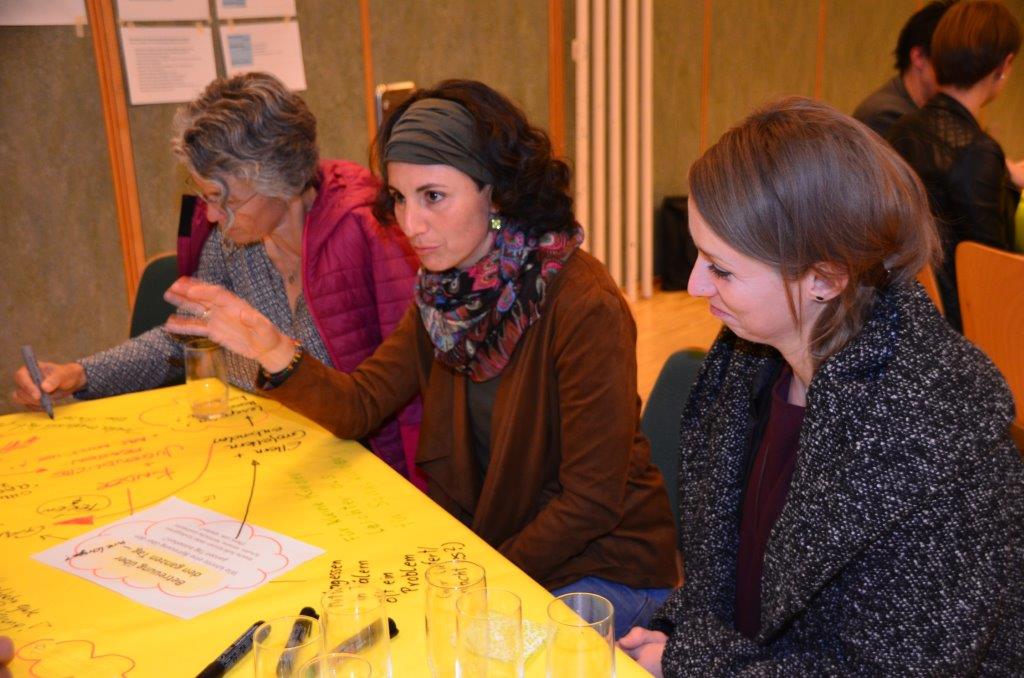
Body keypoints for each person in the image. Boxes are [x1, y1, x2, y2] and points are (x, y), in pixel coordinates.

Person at [163, 79, 679, 637]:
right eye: (400, 198)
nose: (410, 224)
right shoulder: (445, 293)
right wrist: (272, 348)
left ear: (495, 193)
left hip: (602, 569)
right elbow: (361, 405)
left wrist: (477, 575)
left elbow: (589, 503)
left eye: (433, 197)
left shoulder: (583, 303)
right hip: (502, 550)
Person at [619, 97, 1024, 675]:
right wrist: (675, 633)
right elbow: (728, 581)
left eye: (721, 268)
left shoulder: (941, 442)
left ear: (826, 278)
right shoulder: (749, 361)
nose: (693, 286)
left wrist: (695, 664)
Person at [11, 72, 423, 486]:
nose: (211, 216)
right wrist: (82, 374)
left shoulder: (368, 234)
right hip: (269, 457)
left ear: (279, 182)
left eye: (224, 200)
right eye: (206, 197)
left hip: (361, 469)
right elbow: (186, 336)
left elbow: (400, 393)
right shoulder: (233, 242)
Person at [887, 0, 1022, 331]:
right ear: (1004, 65)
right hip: (964, 331)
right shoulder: (977, 152)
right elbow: (992, 273)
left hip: (903, 317)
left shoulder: (901, 130)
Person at [853, 1, 954, 137]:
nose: (962, 71)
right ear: (919, 57)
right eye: (951, 58)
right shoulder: (885, 116)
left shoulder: (925, 111)